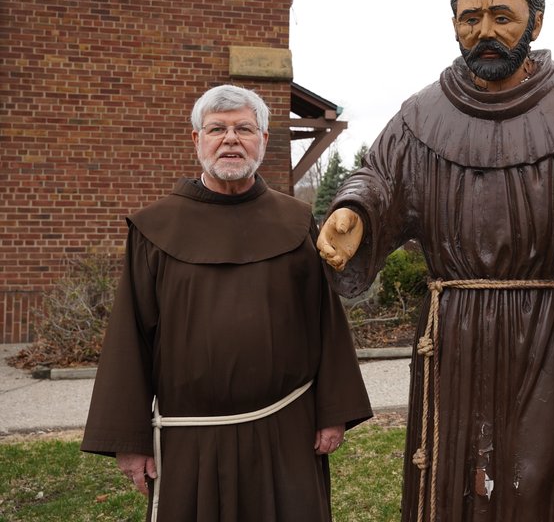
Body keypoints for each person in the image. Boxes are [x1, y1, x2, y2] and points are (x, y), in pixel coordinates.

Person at [317, 0, 554, 521]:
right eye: (470, 18)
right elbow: (378, 177)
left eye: (502, 16)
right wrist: (354, 210)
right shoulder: (420, 115)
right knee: (454, 474)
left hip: (547, 328)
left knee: (539, 478)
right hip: (452, 330)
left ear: (536, 22)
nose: (484, 32)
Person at [81, 84, 372, 522]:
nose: (231, 139)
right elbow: (130, 336)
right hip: (191, 442)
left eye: (244, 129)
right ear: (197, 139)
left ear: (264, 140)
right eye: (217, 129)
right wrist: (129, 440)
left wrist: (333, 412)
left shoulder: (296, 222)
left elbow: (325, 321)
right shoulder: (154, 229)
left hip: (286, 430)